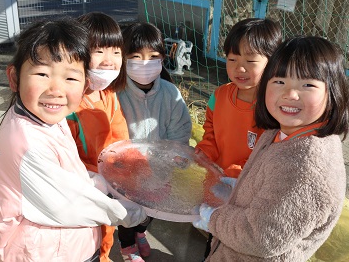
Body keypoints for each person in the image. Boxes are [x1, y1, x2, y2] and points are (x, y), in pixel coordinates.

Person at [0, 17, 147, 262]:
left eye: (70, 78)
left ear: (85, 84)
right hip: (45, 253)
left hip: (68, 245)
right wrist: (131, 212)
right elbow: (70, 205)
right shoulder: (26, 141)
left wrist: (104, 184)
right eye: (42, 73)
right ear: (14, 78)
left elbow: (74, 176)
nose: (56, 90)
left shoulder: (47, 118)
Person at [193, 36, 349, 261]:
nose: (290, 94)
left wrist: (213, 218)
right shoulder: (281, 131)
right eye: (279, 81)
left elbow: (259, 237)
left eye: (307, 85)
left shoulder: (303, 168)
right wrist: (239, 186)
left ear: (332, 92)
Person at [194, 18, 282, 258]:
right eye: (232, 60)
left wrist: (237, 173)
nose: (239, 69)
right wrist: (205, 151)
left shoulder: (274, 107)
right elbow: (210, 131)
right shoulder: (220, 95)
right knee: (214, 236)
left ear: (273, 62)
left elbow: (269, 155)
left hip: (248, 193)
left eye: (250, 61)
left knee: (235, 240)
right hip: (216, 181)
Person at [116, 22, 192, 261]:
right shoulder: (115, 93)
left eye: (153, 56)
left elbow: (180, 129)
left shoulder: (170, 93)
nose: (145, 63)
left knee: (152, 207)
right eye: (136, 56)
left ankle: (141, 233)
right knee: (127, 213)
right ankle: (127, 246)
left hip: (160, 168)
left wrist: (173, 159)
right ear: (123, 58)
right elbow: (112, 135)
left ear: (162, 58)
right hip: (125, 172)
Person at [66, 12, 128, 262]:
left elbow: (120, 138)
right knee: (82, 236)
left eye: (116, 51)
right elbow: (64, 158)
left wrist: (129, 169)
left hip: (105, 184)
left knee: (106, 229)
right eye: (99, 51)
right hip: (80, 188)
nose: (109, 61)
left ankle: (103, 256)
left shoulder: (108, 94)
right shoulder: (67, 104)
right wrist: (99, 177)